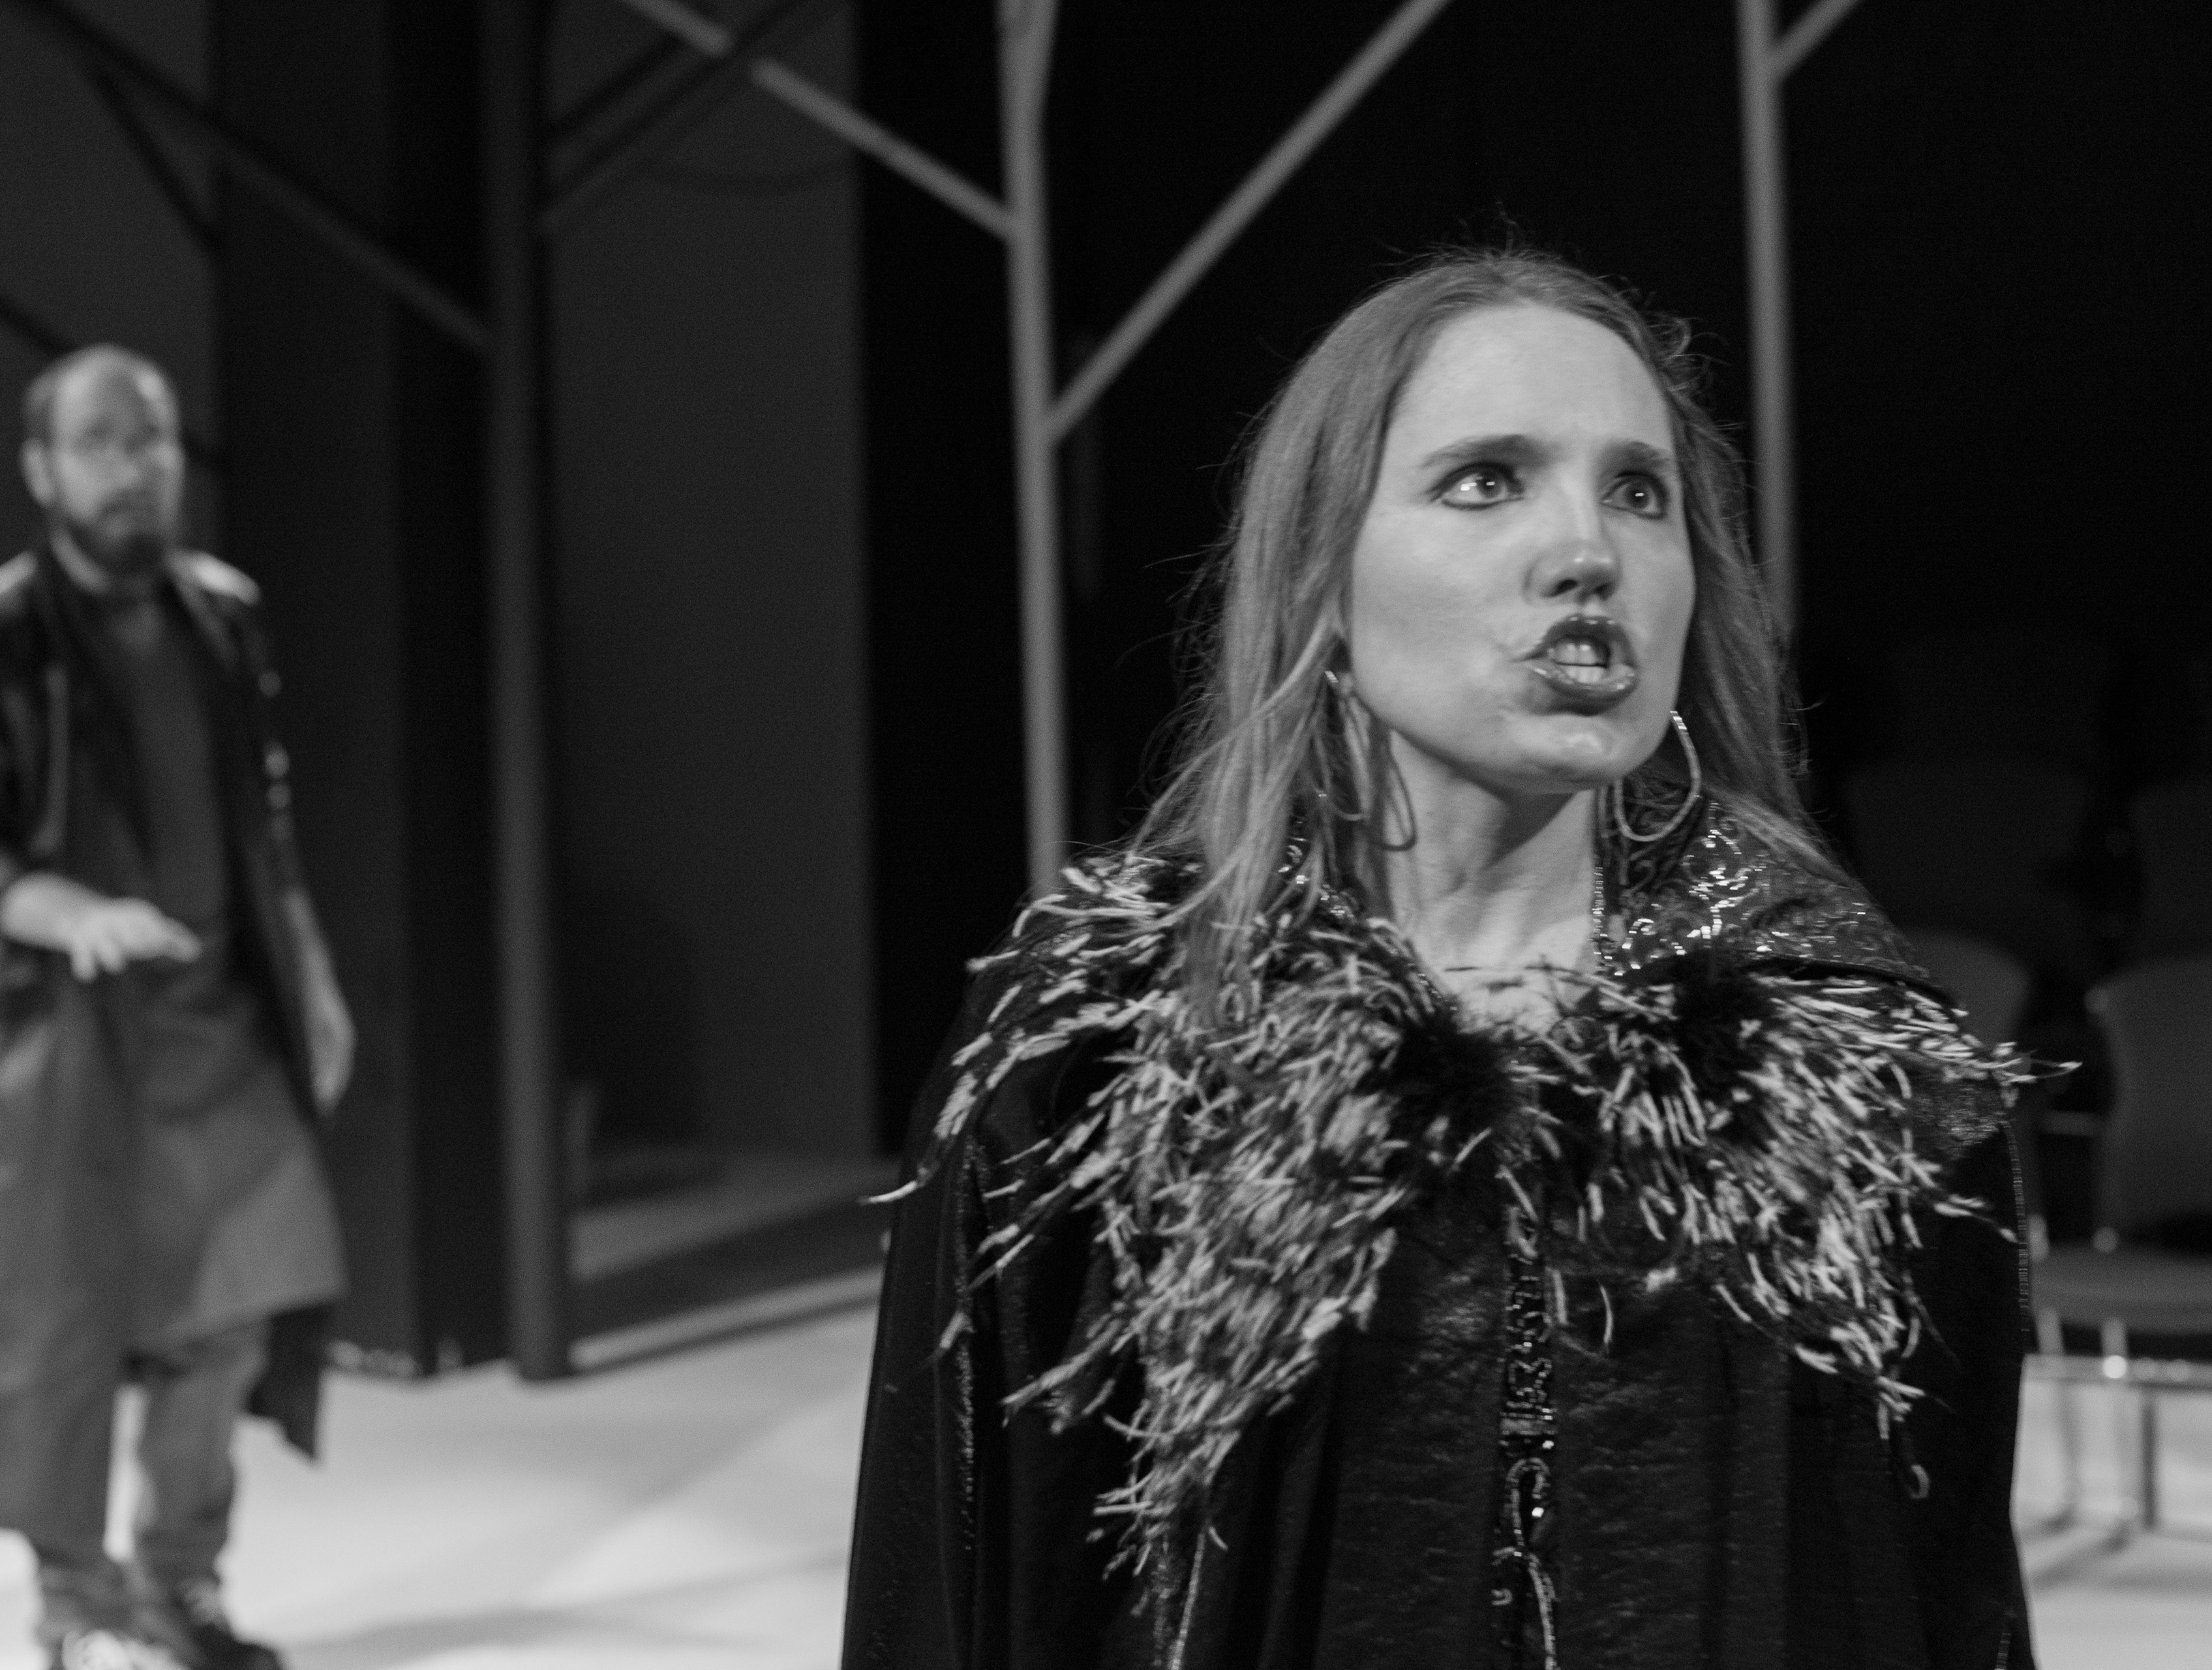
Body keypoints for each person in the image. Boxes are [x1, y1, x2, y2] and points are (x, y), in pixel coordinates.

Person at [841, 250, 2035, 1668]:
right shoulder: (1106, 1042)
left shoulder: (1848, 1061)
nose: (1587, 550)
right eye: (1486, 480)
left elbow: (1942, 1602)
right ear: (1322, 575)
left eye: (1638, 492)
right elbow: (955, 1582)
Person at [0, 346, 352, 1670]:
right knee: (63, 1332)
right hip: (61, 1039)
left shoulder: (221, 614)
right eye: (99, 441)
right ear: (41, 468)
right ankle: (79, 1612)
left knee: (236, 1308)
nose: (133, 466)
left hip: (217, 1020)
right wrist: (67, 911)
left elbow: (264, 817)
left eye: (150, 438)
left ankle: (178, 1585)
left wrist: (309, 971)